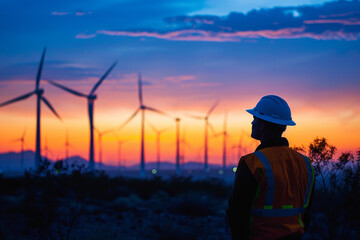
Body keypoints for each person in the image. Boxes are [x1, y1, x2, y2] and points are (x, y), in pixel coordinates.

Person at [227, 95, 314, 240]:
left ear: (262, 125)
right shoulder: (305, 163)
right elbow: (307, 213)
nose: (252, 122)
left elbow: (237, 213)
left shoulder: (252, 163)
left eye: (255, 119)